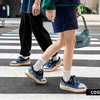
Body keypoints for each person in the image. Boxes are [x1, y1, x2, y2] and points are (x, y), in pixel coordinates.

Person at [25, 0, 87, 93]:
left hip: (64, 5)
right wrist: (49, 6)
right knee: (70, 42)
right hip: (64, 5)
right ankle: (66, 80)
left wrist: (76, 4)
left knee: (62, 41)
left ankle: (35, 68)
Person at [9, 0, 63, 72]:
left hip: (33, 2)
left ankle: (55, 58)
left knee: (37, 29)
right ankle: (24, 55)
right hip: (26, 2)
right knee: (24, 28)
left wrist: (37, 3)